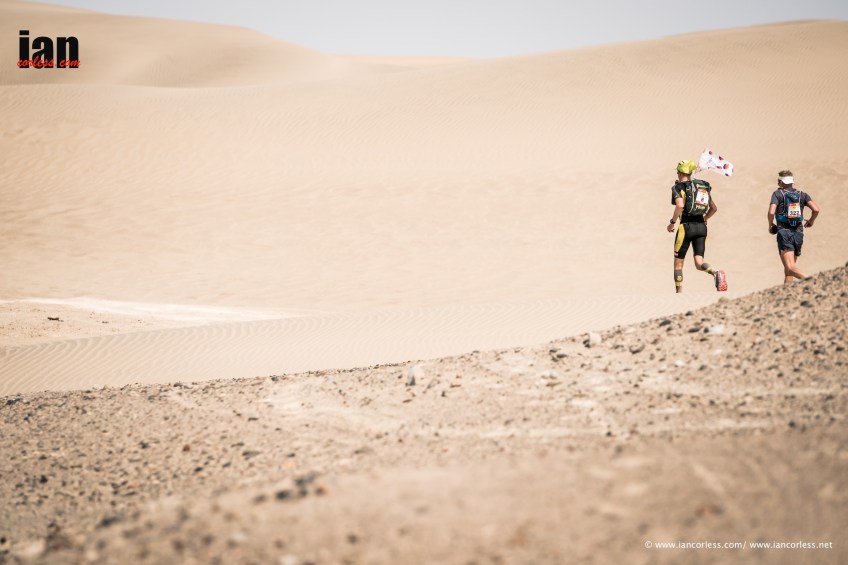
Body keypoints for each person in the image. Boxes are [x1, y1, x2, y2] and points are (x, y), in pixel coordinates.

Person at [666, 160, 727, 293]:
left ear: (680, 172)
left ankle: (679, 293)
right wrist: (705, 218)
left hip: (686, 227)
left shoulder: (678, 187)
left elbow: (680, 205)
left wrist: (672, 222)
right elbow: (714, 208)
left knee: (678, 264)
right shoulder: (701, 187)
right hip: (701, 227)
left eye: (678, 171)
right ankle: (715, 273)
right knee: (699, 263)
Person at [767, 170, 820, 283]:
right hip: (798, 232)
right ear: (792, 182)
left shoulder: (777, 194)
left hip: (784, 232)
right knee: (788, 270)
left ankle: (811, 280)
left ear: (780, 182)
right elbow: (816, 210)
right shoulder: (802, 195)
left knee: (790, 268)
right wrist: (811, 221)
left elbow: (771, 212)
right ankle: (786, 292)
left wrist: (770, 224)